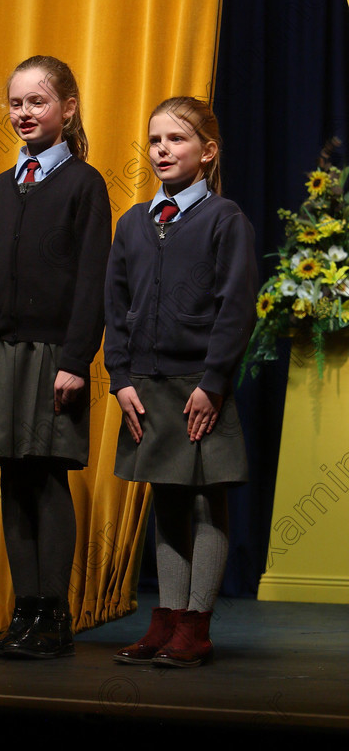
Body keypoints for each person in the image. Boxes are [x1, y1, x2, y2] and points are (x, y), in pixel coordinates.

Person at [0, 55, 111, 659]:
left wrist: (76, 358)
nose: (24, 113)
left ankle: (53, 616)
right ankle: (23, 612)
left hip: (54, 357)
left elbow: (92, 280)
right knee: (13, 481)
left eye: (37, 102)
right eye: (16, 103)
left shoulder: (84, 184)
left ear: (67, 109)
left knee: (46, 478)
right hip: (0, 355)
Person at [104, 96, 258, 668]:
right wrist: (120, 378)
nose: (162, 150)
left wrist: (213, 381)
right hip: (146, 383)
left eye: (176, 139)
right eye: (154, 141)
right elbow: (115, 305)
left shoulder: (224, 219)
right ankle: (166, 618)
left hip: (198, 383)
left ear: (207, 151)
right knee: (165, 497)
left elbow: (236, 306)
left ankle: (196, 625)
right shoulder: (134, 224)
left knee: (202, 500)